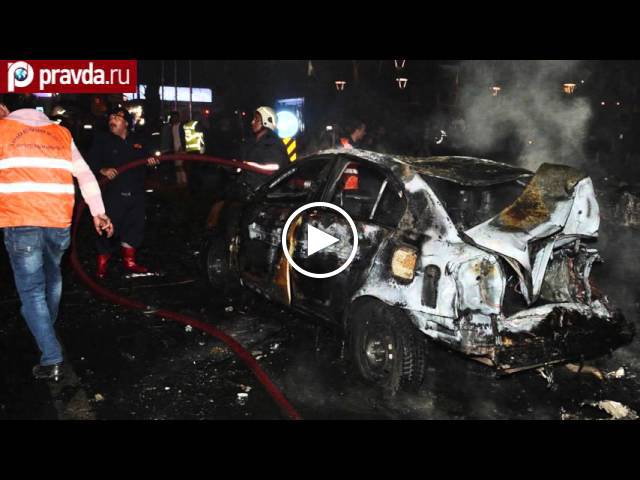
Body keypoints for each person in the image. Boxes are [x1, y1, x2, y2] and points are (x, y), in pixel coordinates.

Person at [0, 96, 114, 381]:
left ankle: (51, 357)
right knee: (52, 277)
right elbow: (85, 175)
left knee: (31, 291)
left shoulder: (3, 130)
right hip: (57, 220)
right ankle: (44, 326)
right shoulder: (61, 133)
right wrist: (99, 213)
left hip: (21, 219)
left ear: (6, 109)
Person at [88, 107, 159, 279]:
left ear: (126, 122)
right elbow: (90, 162)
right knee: (107, 227)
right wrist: (103, 170)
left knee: (134, 226)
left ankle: (130, 262)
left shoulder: (139, 140)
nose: (112, 120)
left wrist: (152, 161)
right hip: (114, 193)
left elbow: (151, 158)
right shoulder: (103, 140)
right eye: (110, 117)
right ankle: (102, 265)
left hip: (136, 192)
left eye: (116, 117)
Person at [238, 106, 289, 196]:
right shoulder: (251, 141)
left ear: (266, 122)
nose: (252, 122)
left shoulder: (273, 143)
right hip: (249, 190)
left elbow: (275, 167)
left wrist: (247, 165)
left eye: (256, 120)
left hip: (267, 193)